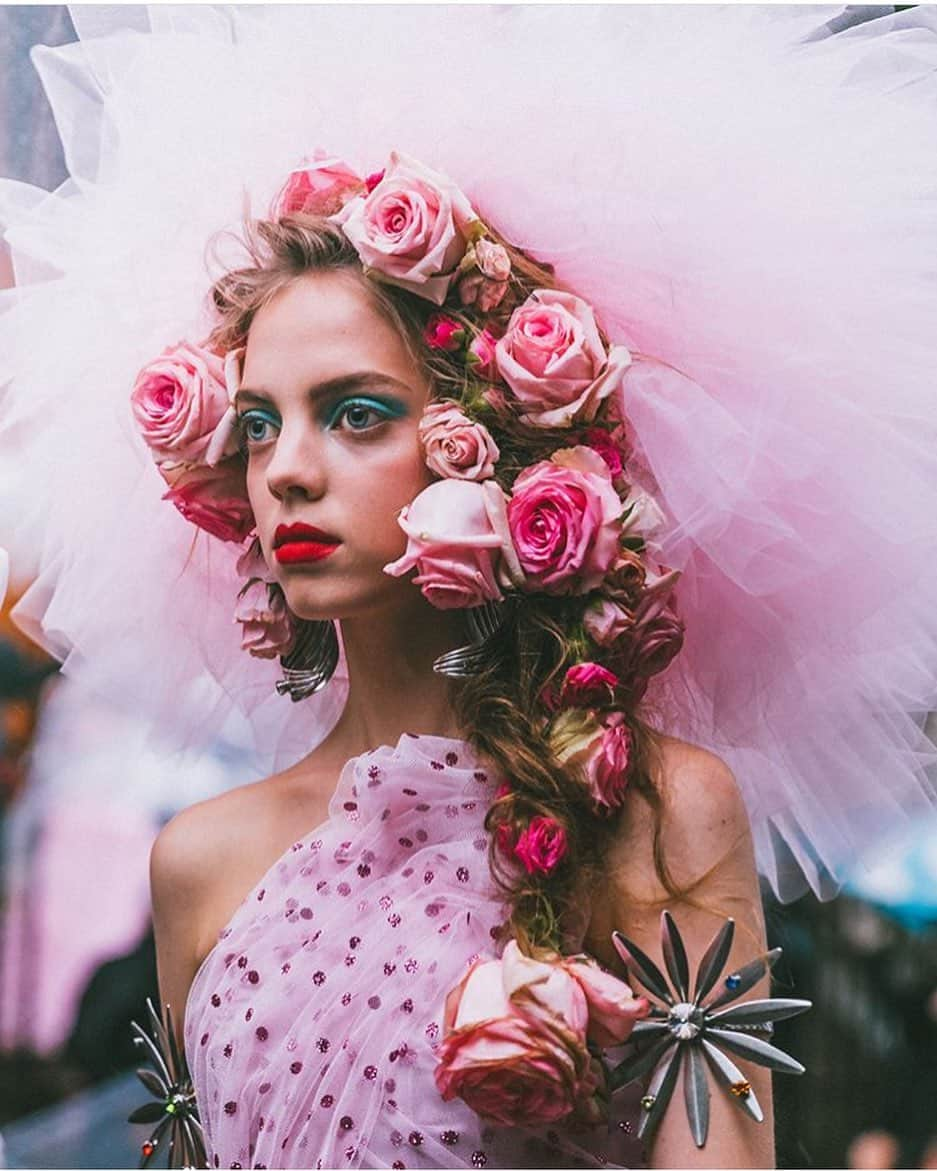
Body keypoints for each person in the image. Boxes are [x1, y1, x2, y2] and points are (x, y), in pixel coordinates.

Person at [1, 6, 936, 1170]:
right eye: (256, 422)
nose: (286, 466)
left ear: (483, 443)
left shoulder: (654, 817)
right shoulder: (200, 858)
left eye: (355, 413)